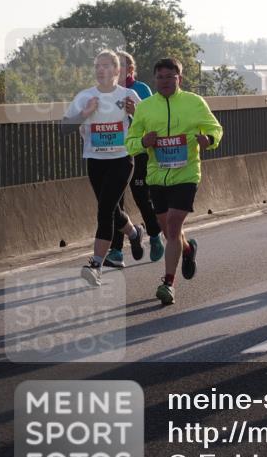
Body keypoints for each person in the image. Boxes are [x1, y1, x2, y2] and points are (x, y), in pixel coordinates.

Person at [125, 57, 223, 305]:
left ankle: (168, 283)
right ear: (154, 79)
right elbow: (130, 141)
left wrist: (208, 140)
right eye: (160, 77)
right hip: (157, 175)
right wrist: (143, 143)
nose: (165, 82)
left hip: (186, 173)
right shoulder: (145, 108)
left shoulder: (193, 102)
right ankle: (188, 250)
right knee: (170, 231)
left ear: (179, 78)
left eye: (170, 77)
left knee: (175, 224)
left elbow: (215, 128)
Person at [63, 50, 144, 287]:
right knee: (110, 210)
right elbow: (65, 128)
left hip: (122, 159)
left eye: (107, 65)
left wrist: (135, 113)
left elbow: (149, 125)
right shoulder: (85, 96)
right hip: (95, 161)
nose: (101, 70)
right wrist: (85, 113)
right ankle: (134, 233)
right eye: (98, 65)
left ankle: (96, 264)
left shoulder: (128, 95)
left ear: (118, 71)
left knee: (105, 210)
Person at [107, 50, 165, 266]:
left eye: (120, 67)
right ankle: (116, 251)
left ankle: (155, 235)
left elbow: (155, 120)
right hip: (114, 153)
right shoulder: (107, 91)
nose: (115, 71)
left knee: (141, 196)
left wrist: (135, 111)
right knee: (114, 202)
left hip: (139, 152)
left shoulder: (141, 90)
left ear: (131, 70)